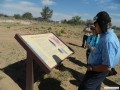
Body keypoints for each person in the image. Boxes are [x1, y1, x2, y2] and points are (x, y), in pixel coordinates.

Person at [78, 11, 120, 90]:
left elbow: (107, 67)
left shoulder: (108, 40)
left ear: (102, 25)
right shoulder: (106, 35)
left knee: (85, 87)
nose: (95, 27)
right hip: (97, 69)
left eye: (96, 25)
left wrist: (91, 68)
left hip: (97, 71)